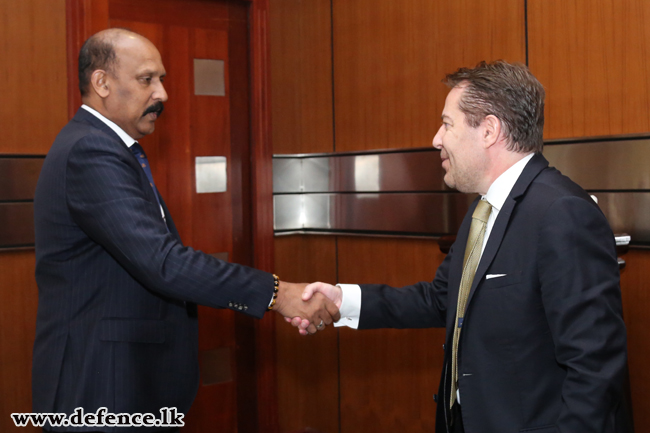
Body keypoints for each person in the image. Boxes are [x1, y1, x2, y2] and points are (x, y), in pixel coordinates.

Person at [296, 61, 629, 432]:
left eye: (447, 124)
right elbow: (442, 299)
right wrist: (342, 300)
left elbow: (594, 366)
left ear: (488, 130)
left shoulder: (561, 212)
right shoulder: (483, 209)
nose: (437, 138)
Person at [32, 28, 338, 433]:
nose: (162, 94)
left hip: (121, 385)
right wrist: (279, 295)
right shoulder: (91, 151)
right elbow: (162, 263)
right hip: (100, 387)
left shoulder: (106, 147)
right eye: (147, 79)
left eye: (161, 80)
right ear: (102, 83)